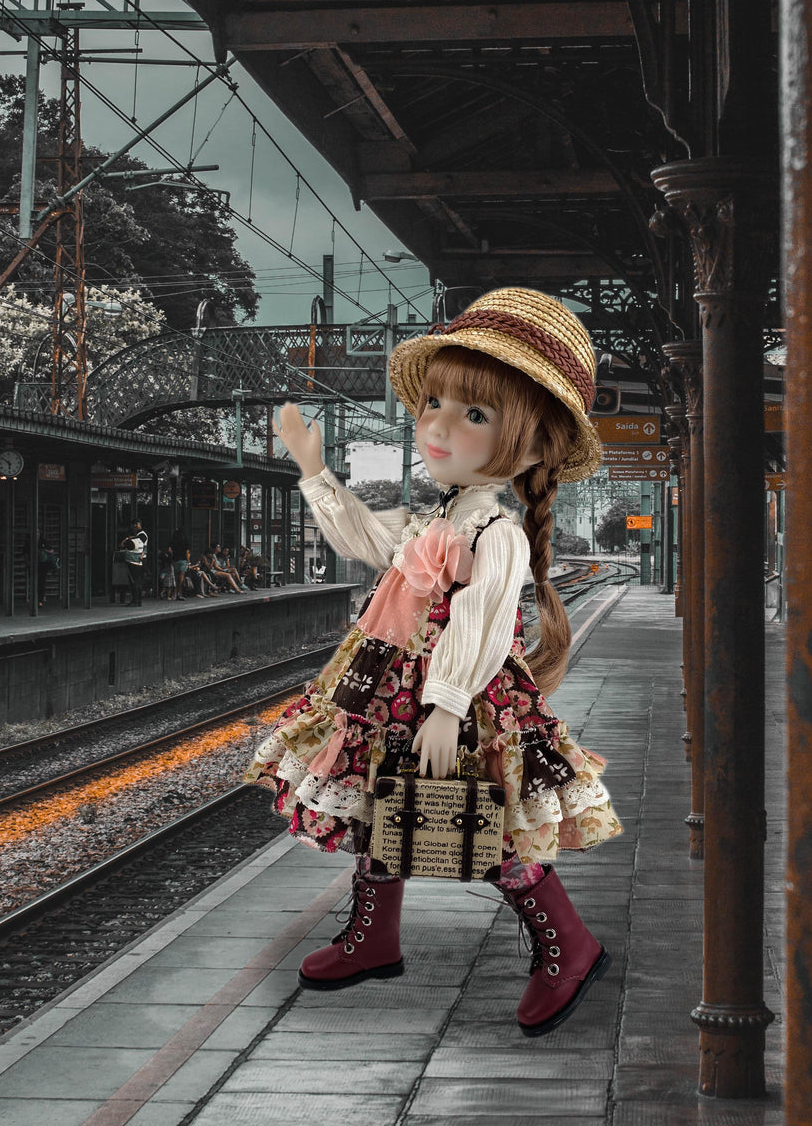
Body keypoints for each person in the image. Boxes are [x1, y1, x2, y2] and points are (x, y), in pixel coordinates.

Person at [244, 287, 622, 1036]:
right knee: (384, 805)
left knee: (490, 823)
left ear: (537, 443)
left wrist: (447, 703)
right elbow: (366, 538)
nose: (440, 426)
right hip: (392, 691)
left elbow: (481, 623)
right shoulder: (442, 515)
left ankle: (568, 944)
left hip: (460, 701)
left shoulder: (496, 531)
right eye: (436, 405)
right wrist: (315, 472)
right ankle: (375, 936)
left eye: (474, 414)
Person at [36, 535, 59, 608]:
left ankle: (40, 600)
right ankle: (38, 600)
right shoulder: (30, 541)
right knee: (36, 583)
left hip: (43, 565)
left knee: (41, 583)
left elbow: (51, 550)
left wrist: (44, 550)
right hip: (35, 564)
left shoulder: (43, 541)